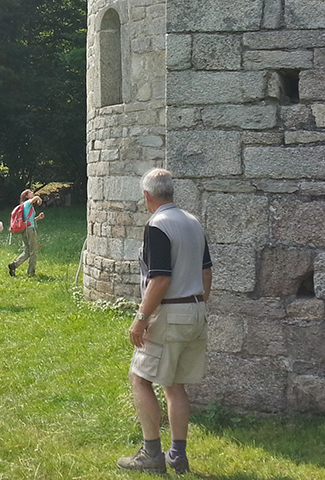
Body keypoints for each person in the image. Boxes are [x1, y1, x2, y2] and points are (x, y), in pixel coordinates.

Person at [117, 168, 213, 475]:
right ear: (172, 192)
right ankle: (178, 454)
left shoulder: (158, 225)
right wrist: (197, 303)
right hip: (196, 309)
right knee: (174, 384)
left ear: (147, 196)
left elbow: (159, 279)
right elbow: (206, 272)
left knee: (140, 379)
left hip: (169, 311)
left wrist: (141, 319)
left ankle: (152, 453)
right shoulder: (193, 222)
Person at [8, 189, 45, 277]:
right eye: (31, 192)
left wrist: (37, 218)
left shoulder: (25, 206)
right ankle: (31, 272)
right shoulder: (28, 203)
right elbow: (35, 198)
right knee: (34, 251)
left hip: (25, 229)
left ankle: (14, 265)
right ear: (27, 196)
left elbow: (28, 220)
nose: (33, 193)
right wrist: (38, 198)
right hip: (30, 230)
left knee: (27, 251)